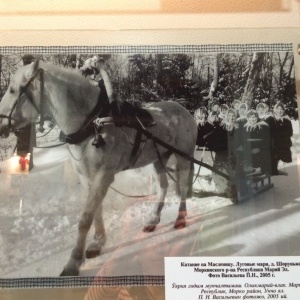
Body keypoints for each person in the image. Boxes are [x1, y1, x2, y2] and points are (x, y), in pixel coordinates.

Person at [268, 102, 293, 175]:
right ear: (275, 110)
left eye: (281, 109)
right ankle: (273, 170)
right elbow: (272, 131)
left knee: (280, 155)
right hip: (274, 141)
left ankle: (275, 169)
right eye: (278, 109)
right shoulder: (271, 118)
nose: (279, 111)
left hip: (283, 141)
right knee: (274, 154)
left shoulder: (286, 119)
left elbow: (290, 132)